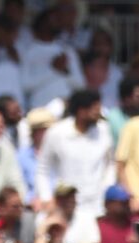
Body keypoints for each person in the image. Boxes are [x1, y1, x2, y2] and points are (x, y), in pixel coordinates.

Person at [36, 89, 114, 223]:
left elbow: (110, 165)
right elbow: (43, 169)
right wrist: (46, 198)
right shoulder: (57, 133)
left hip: (97, 207)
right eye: (94, 109)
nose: (98, 114)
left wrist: (107, 190)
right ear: (81, 111)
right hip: (66, 207)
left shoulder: (103, 131)